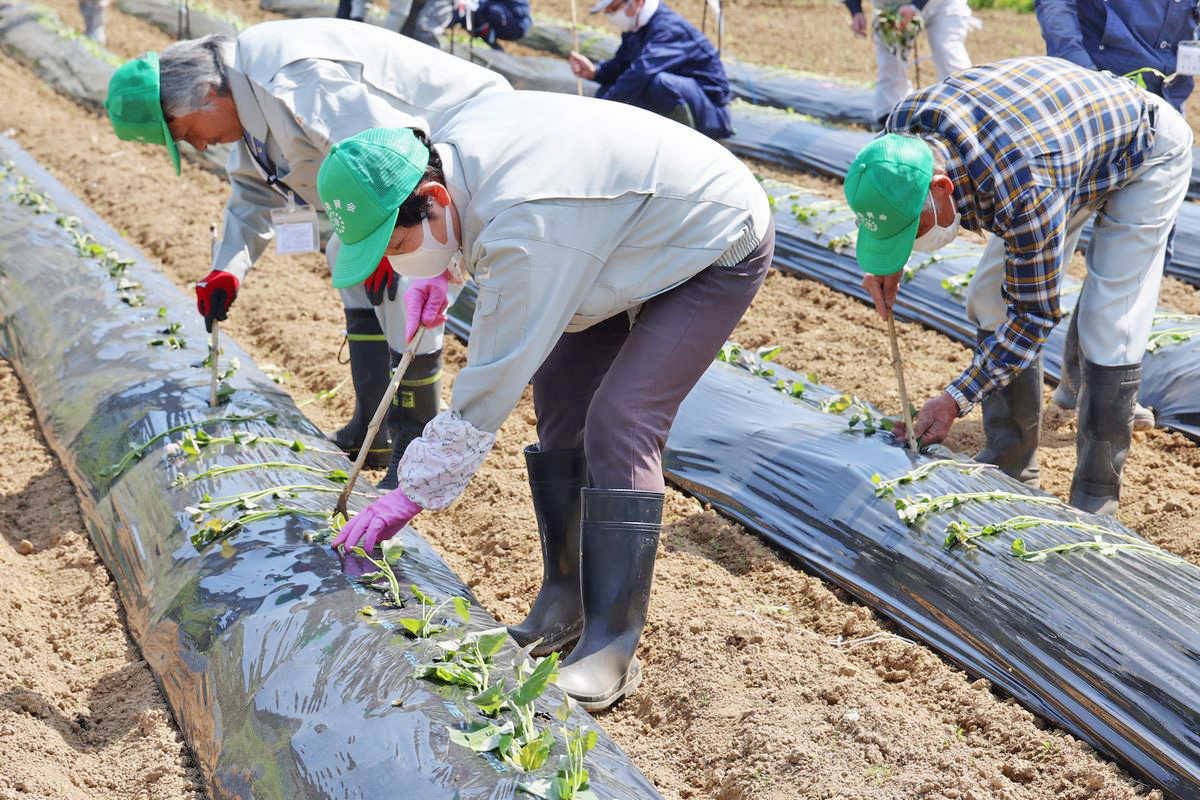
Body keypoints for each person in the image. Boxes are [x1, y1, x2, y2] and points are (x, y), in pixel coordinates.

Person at [322, 90, 773, 709]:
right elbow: (472, 237)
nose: (398, 264)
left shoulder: (527, 226)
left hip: (710, 238)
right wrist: (436, 273)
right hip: (611, 235)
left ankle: (610, 645)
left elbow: (491, 378)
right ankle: (564, 600)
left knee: (622, 418)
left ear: (434, 201)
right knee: (561, 398)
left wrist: (412, 489)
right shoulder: (443, 155)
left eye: (398, 249)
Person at [103, 19, 511, 488]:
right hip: (414, 170)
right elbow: (253, 196)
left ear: (203, 92)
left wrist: (389, 238)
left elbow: (391, 145)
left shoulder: (290, 73)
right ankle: (372, 426)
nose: (196, 145)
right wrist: (226, 271)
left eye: (185, 133)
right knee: (343, 254)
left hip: (457, 151)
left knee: (404, 278)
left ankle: (413, 445)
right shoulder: (247, 109)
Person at [845, 57, 1191, 516]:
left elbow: (1033, 317)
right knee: (988, 297)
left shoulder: (1024, 188)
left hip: (1144, 148)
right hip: (1063, 143)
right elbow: (898, 194)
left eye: (914, 230)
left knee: (1109, 319)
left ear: (944, 187)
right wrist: (889, 254)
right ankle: (1011, 462)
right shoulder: (901, 134)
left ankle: (1095, 492)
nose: (914, 240)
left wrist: (955, 398)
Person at [1035, 0, 1200, 429]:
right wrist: (1078, 69)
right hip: (1089, 101)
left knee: (1137, 258)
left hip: (1161, 109)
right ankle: (1010, 412)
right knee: (1041, 242)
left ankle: (1087, 384)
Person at [567, 0, 734, 139]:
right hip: (680, 97)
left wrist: (600, 113)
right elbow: (621, 65)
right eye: (608, 11)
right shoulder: (636, 29)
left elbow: (641, 72)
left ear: (637, 2)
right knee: (612, 88)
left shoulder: (669, 29)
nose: (611, 15)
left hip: (710, 112)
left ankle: (684, 144)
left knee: (658, 83)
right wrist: (596, 72)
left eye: (614, 9)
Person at [843, 0, 976, 126]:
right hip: (890, 8)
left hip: (941, 4)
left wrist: (915, 6)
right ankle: (894, 125)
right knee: (890, 66)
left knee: (948, 56)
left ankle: (969, 114)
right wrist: (856, 11)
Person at [449, 0, 532, 49]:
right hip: (510, 18)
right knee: (472, 9)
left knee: (489, 10)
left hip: (516, 25)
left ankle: (489, 37)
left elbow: (521, 10)